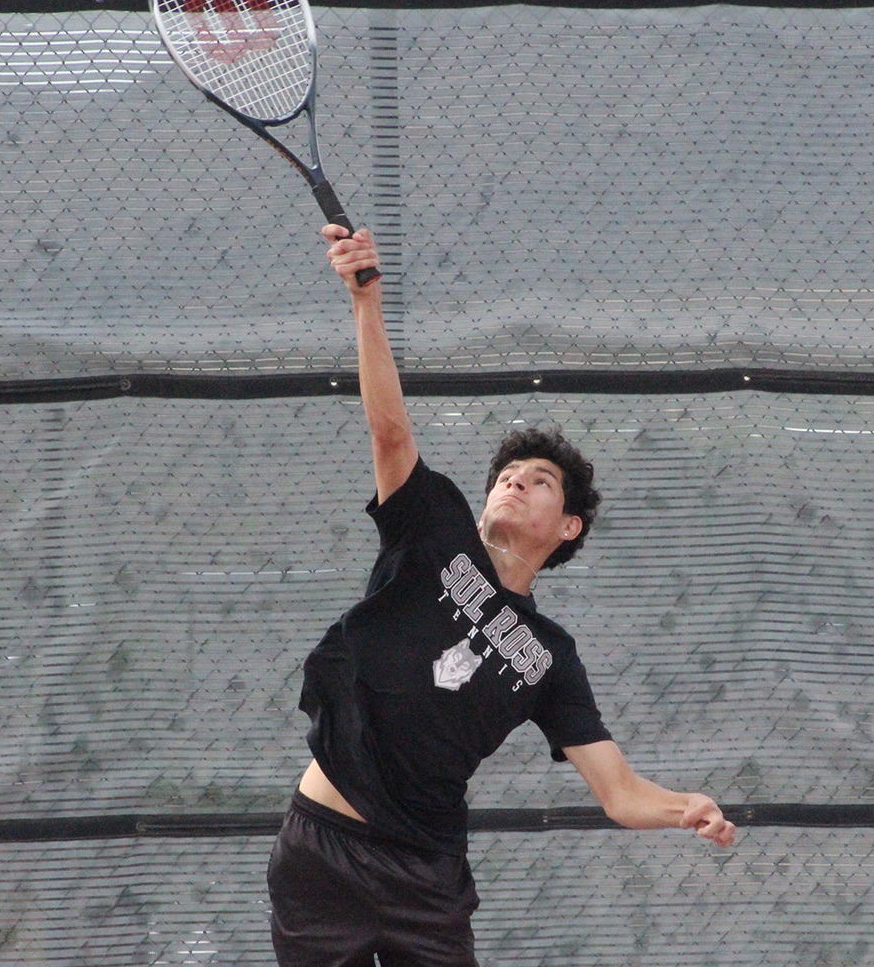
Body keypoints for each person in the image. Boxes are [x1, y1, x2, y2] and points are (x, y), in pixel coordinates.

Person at [265, 225, 737, 967]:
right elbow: (390, 433)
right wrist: (365, 303)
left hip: (425, 876)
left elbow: (618, 792)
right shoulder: (434, 531)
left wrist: (687, 807)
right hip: (324, 850)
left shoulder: (549, 657)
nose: (516, 481)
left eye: (539, 481)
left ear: (569, 526)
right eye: (508, 475)